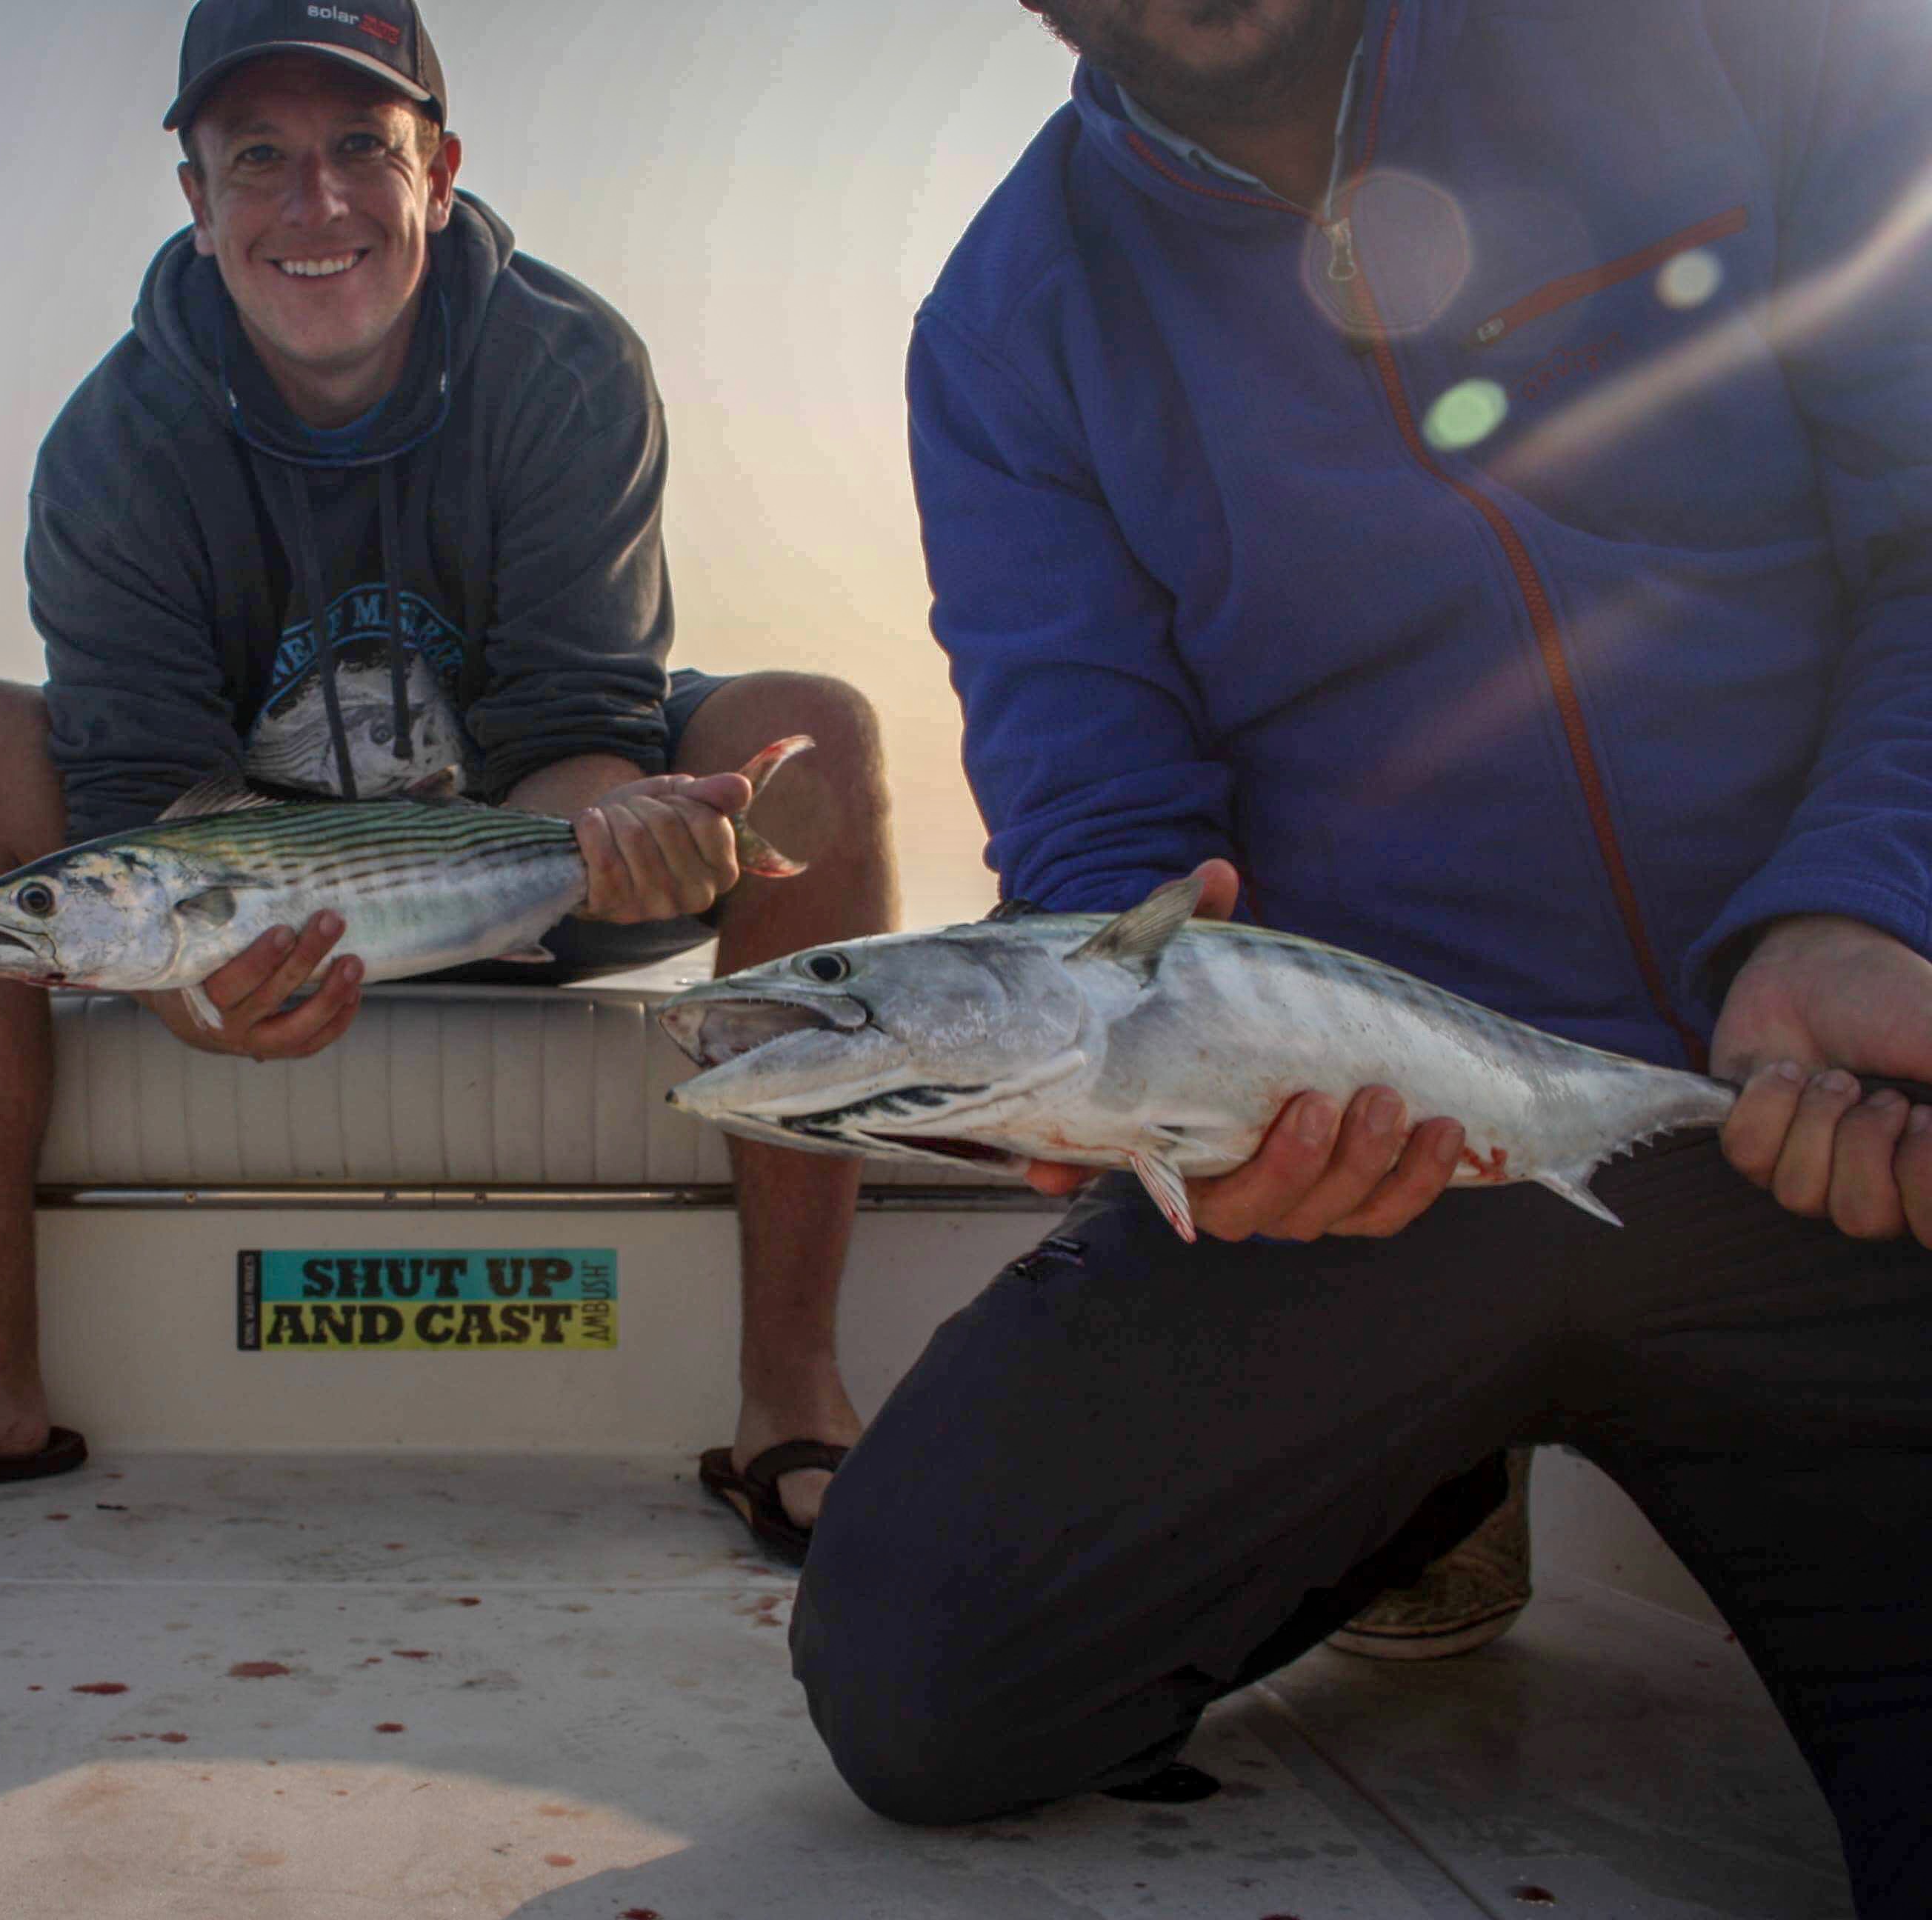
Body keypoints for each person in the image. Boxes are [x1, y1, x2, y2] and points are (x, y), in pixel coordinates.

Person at [792, 0, 1932, 1909]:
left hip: (1815, 1119)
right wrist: (1191, 1122)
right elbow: (1100, 829)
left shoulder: (1750, 40)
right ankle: (1429, 1467)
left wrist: (1870, 900)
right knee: (927, 1687)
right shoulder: (1007, 326)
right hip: (1372, 1183)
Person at [0, 0, 898, 1563]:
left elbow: (577, 715)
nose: (314, 204)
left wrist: (618, 837)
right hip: (237, 898)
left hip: (541, 854)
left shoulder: (566, 362)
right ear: (196, 202)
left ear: (440, 172)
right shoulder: (113, 443)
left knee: (819, 724)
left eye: (360, 149)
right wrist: (187, 987)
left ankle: (792, 1394)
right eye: (257, 157)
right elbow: (145, 796)